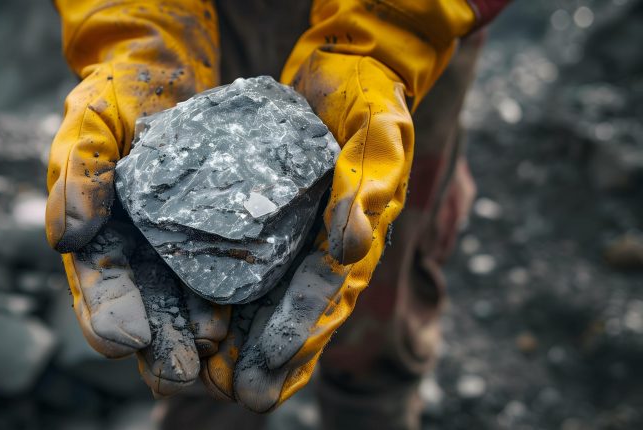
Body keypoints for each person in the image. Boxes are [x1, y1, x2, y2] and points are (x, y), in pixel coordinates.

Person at [45, 1, 510, 428]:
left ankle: (373, 401)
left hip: (405, 37)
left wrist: (392, 23)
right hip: (206, 19)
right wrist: (134, 26)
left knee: (380, 266)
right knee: (207, 358)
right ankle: (205, 404)